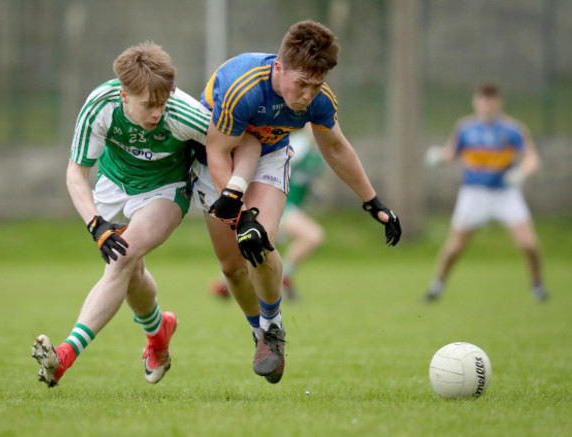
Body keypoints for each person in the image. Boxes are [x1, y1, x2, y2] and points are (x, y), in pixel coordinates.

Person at [31, 42, 260, 388]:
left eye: (162, 102)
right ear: (124, 94)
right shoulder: (100, 106)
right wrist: (96, 224)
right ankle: (158, 334)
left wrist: (237, 190)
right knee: (132, 272)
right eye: (149, 105)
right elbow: (76, 174)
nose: (157, 112)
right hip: (113, 182)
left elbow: (246, 143)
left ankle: (64, 356)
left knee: (122, 258)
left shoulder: (182, 113)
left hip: (165, 189)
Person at [191, 20, 402, 384]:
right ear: (279, 66)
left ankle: (273, 329)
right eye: (301, 84)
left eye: (316, 85)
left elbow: (336, 147)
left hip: (270, 157)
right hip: (217, 160)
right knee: (231, 269)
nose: (306, 95)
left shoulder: (318, 100)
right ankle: (259, 333)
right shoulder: (243, 88)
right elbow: (218, 150)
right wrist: (236, 211)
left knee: (257, 242)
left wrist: (373, 202)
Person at [423, 82, 548, 302]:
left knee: (529, 245)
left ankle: (538, 287)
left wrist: (522, 173)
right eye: (483, 101)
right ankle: (437, 286)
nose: (487, 107)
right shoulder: (465, 128)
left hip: (505, 194)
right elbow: (453, 153)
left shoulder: (512, 129)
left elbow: (531, 158)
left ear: (498, 103)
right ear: (475, 102)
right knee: (454, 247)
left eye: (491, 102)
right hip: (474, 194)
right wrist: (439, 158)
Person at [208, 124, 326, 301]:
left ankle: (223, 284)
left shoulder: (322, 155)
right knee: (312, 236)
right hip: (281, 205)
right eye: (312, 125)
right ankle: (284, 277)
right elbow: (272, 166)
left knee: (259, 248)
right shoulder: (299, 146)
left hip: (292, 205)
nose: (316, 129)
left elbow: (304, 179)